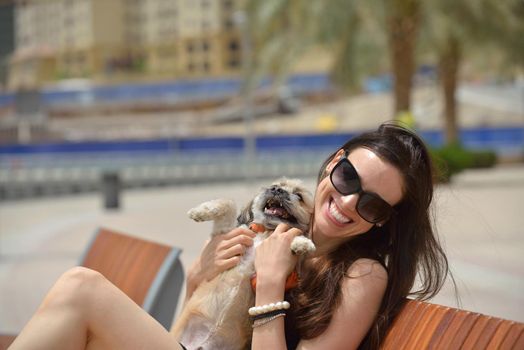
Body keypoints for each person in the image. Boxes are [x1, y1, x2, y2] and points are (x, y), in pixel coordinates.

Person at [9, 122, 451, 350]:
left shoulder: (362, 274)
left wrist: (271, 284)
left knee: (81, 288)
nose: (349, 201)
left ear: (386, 221)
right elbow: (199, 326)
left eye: (372, 204)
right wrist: (198, 276)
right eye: (349, 176)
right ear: (335, 162)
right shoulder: (279, 232)